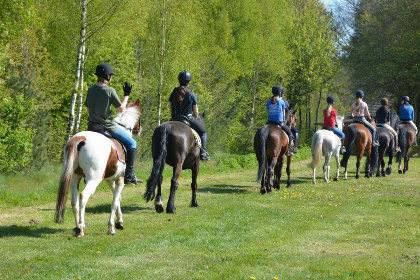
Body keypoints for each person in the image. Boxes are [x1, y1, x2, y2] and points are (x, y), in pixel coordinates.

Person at [84, 62, 142, 184]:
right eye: (110, 75)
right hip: (107, 127)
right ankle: (129, 175)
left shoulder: (91, 89)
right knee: (132, 144)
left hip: (91, 127)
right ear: (108, 76)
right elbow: (121, 109)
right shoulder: (109, 90)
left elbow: (88, 110)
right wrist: (126, 95)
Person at [169, 70, 210, 160]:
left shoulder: (172, 93)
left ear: (179, 80)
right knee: (203, 132)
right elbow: (195, 113)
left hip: (174, 119)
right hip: (187, 118)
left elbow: (171, 109)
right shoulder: (191, 94)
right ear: (189, 82)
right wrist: (195, 117)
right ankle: (203, 153)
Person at [266, 85, 294, 156]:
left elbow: (268, 113)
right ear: (279, 93)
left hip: (269, 122)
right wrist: (283, 122)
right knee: (290, 134)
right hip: (279, 122)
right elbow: (284, 114)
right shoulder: (282, 102)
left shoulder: (268, 102)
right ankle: (288, 151)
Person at [280, 88, 299, 154]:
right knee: (295, 132)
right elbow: (287, 110)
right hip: (283, 122)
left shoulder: (271, 100)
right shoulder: (284, 101)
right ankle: (294, 148)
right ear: (282, 94)